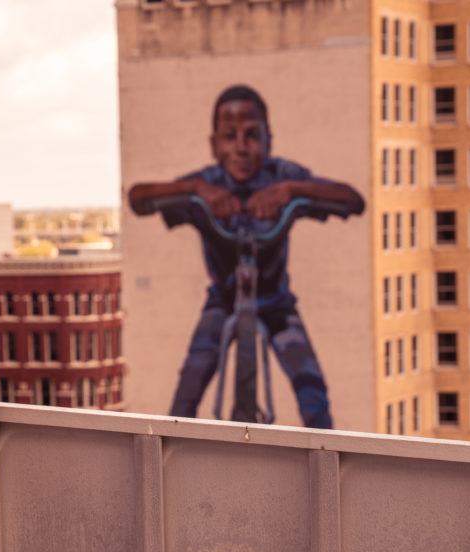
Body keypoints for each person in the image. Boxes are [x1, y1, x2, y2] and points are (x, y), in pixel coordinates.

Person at [128, 84, 364, 428]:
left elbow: (352, 200)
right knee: (188, 390)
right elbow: (138, 198)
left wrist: (292, 192)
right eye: (229, 136)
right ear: (215, 145)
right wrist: (194, 192)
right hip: (222, 301)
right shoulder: (208, 182)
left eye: (252, 135)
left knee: (312, 392)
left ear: (269, 140)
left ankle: (327, 464)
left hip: (276, 303)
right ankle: (172, 460)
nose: (241, 148)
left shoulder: (282, 175)